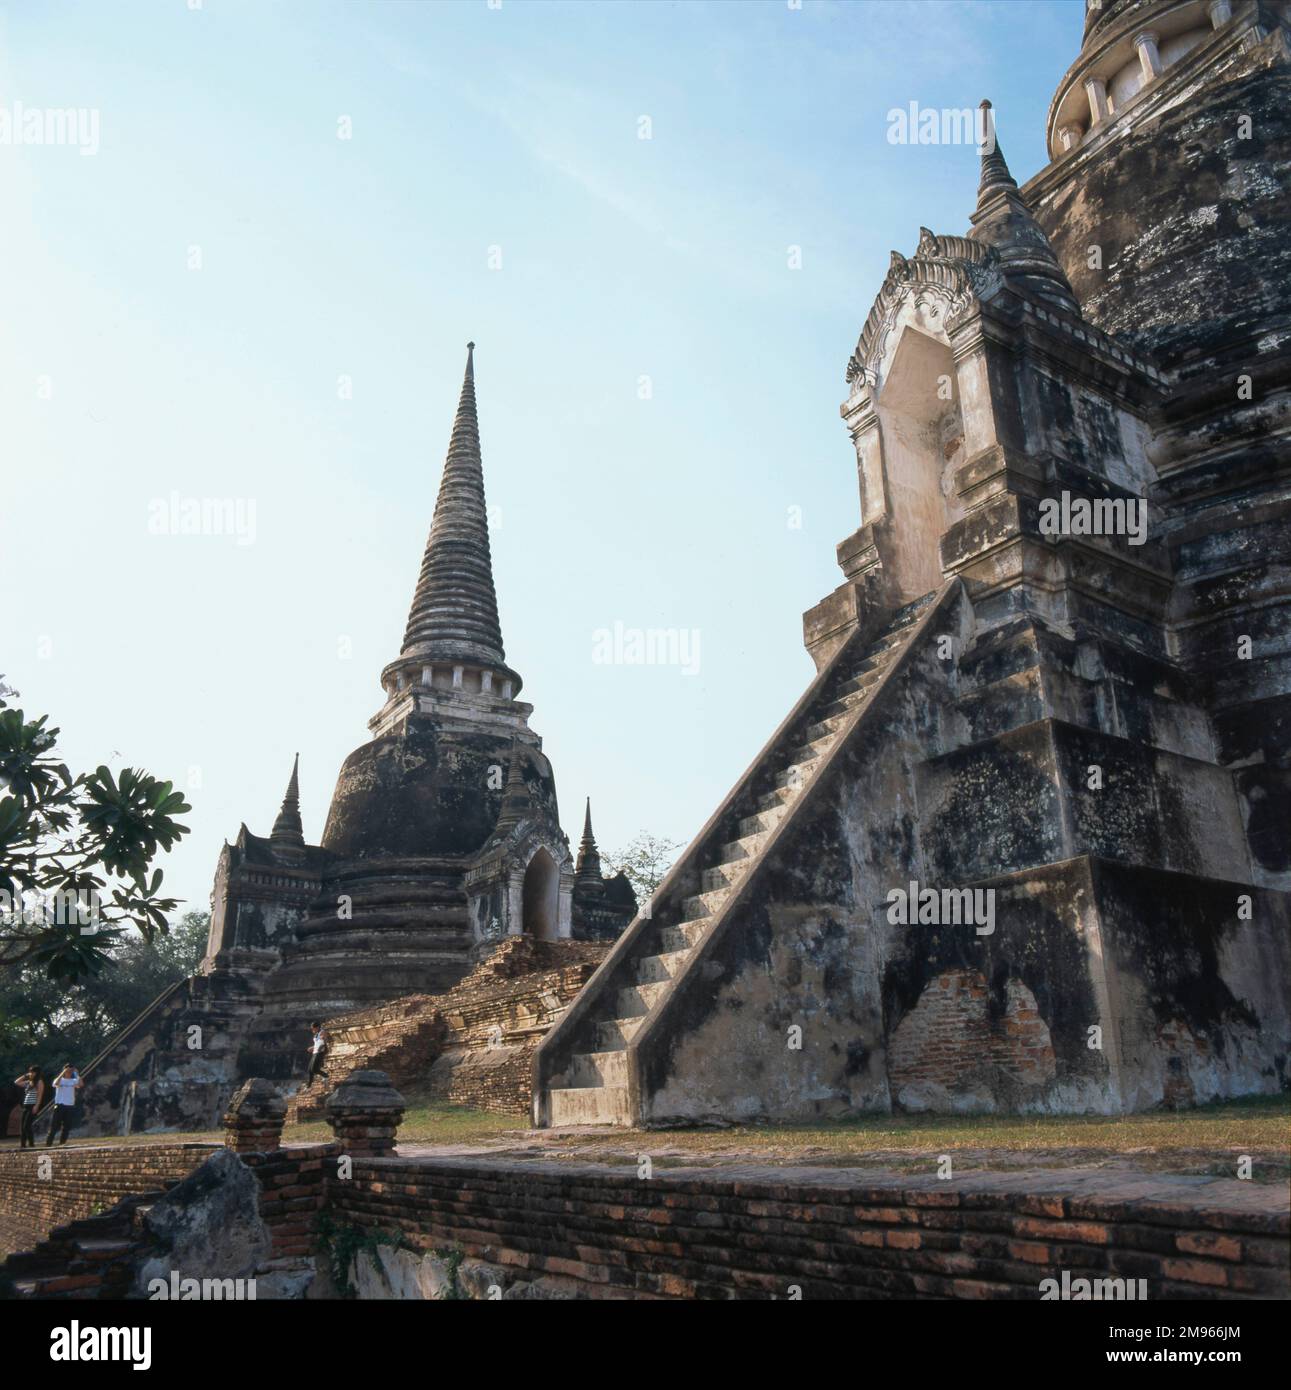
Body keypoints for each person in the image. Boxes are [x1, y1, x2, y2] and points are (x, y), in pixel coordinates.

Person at [45, 1063, 82, 1145]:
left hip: (69, 1105)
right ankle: (49, 1143)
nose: (69, 1072)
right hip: (59, 1105)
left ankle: (62, 1143)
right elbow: (55, 1083)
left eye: (71, 1070)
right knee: (54, 1125)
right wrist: (63, 1072)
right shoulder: (59, 1080)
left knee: (66, 1126)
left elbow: (80, 1084)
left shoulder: (73, 1080)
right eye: (68, 1070)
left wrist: (76, 1073)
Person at [14, 1066, 45, 1148]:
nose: (31, 1073)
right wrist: (25, 1075)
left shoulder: (39, 1082)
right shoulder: (28, 1082)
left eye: (32, 1072)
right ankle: (23, 1145)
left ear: (36, 1073)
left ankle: (31, 1144)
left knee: (27, 1126)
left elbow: (40, 1095)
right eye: (30, 1072)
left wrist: (36, 1106)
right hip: (26, 1105)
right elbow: (16, 1082)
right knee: (22, 1127)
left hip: (33, 1105)